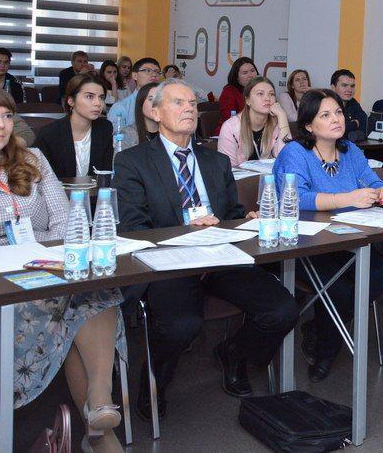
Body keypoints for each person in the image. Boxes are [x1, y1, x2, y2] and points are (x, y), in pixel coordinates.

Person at [114, 79, 298, 417]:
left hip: (219, 256)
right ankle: (153, 384)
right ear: (155, 112)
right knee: (181, 325)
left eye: (192, 103)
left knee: (282, 310)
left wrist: (246, 220)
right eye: (178, 102)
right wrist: (187, 230)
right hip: (171, 260)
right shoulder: (132, 162)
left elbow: (231, 214)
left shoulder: (215, 162)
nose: (189, 108)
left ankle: (234, 353)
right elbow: (134, 230)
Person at [0, 88, 125, 452]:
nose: (0, 125)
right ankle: (99, 432)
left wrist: (36, 249)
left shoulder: (33, 158)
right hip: (4, 282)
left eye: (6, 116)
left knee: (93, 288)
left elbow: (66, 221)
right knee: (72, 310)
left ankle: (99, 399)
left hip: (47, 267)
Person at [272, 89, 383, 382]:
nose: (336, 119)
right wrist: (346, 198)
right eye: (325, 115)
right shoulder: (295, 152)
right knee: (338, 291)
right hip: (308, 243)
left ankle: (317, 329)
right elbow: (295, 197)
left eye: (338, 112)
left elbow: (373, 180)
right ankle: (326, 351)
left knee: (377, 278)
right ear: (309, 125)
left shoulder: (350, 150)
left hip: (349, 238)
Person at [35, 73, 114, 181]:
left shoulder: (105, 128)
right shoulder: (50, 133)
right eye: (89, 96)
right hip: (58, 191)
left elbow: (105, 173)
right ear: (71, 101)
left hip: (95, 191)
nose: (98, 103)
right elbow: (39, 177)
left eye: (101, 97)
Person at [218, 76, 291, 167]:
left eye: (271, 94)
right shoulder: (230, 127)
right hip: (238, 176)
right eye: (260, 94)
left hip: (267, 176)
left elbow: (287, 159)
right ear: (247, 100)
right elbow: (228, 168)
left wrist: (282, 116)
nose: (267, 98)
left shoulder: (276, 123)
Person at [107, 57, 161, 129]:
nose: (154, 74)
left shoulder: (163, 105)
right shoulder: (120, 107)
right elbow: (115, 135)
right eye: (148, 70)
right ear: (135, 76)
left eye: (157, 72)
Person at [217, 57, 258, 133]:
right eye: (245, 73)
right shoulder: (229, 91)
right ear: (237, 78)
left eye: (252, 71)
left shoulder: (260, 90)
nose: (250, 75)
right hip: (230, 133)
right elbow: (230, 119)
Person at [119, 82, 159, 149]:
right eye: (151, 99)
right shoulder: (128, 133)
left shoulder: (171, 133)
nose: (155, 103)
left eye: (159, 99)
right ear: (141, 103)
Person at [331, 69, 367, 141]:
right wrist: (354, 124)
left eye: (352, 86)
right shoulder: (326, 105)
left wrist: (348, 129)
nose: (349, 90)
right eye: (344, 85)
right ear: (333, 87)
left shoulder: (353, 102)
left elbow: (366, 123)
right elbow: (333, 132)